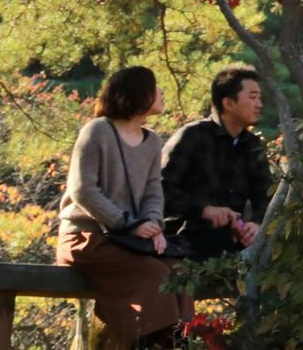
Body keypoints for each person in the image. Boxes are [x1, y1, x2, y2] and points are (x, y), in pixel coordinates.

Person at [57, 65, 191, 349]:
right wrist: (129, 223)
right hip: (87, 238)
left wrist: (153, 226)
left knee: (180, 269)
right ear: (137, 92)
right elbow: (83, 190)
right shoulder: (97, 131)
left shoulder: (152, 140)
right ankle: (149, 344)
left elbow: (154, 190)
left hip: (131, 239)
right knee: (154, 274)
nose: (162, 93)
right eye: (155, 87)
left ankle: (185, 342)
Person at [161, 67, 271, 259]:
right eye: (252, 97)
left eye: (260, 98)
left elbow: (266, 193)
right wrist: (203, 209)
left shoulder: (254, 146)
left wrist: (257, 224)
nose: (259, 104)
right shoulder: (192, 136)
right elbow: (161, 188)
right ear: (228, 103)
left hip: (232, 241)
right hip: (184, 237)